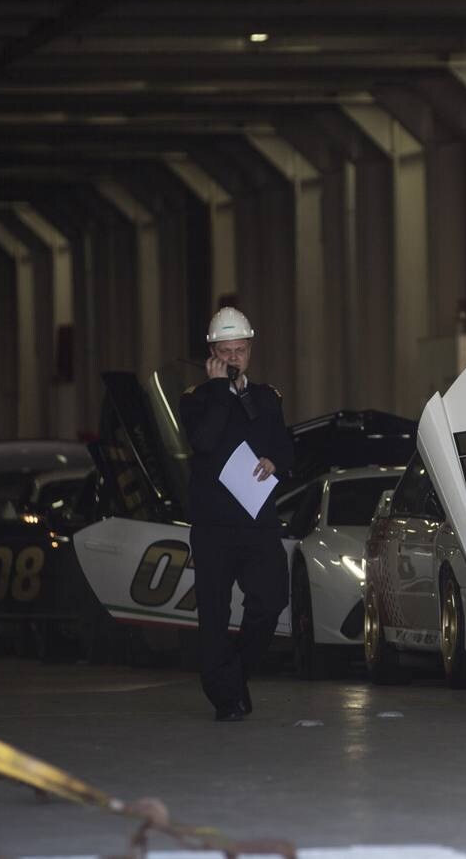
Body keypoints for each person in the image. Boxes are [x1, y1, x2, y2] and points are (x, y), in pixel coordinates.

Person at [180, 307, 294, 722]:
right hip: (213, 525)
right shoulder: (195, 400)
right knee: (214, 612)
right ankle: (225, 697)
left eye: (240, 351)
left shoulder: (267, 398)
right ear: (212, 353)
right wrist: (217, 392)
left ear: (250, 350)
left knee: (270, 601)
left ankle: (236, 674)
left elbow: (286, 446)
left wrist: (274, 461)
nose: (233, 358)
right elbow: (205, 441)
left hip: (257, 518)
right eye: (225, 351)